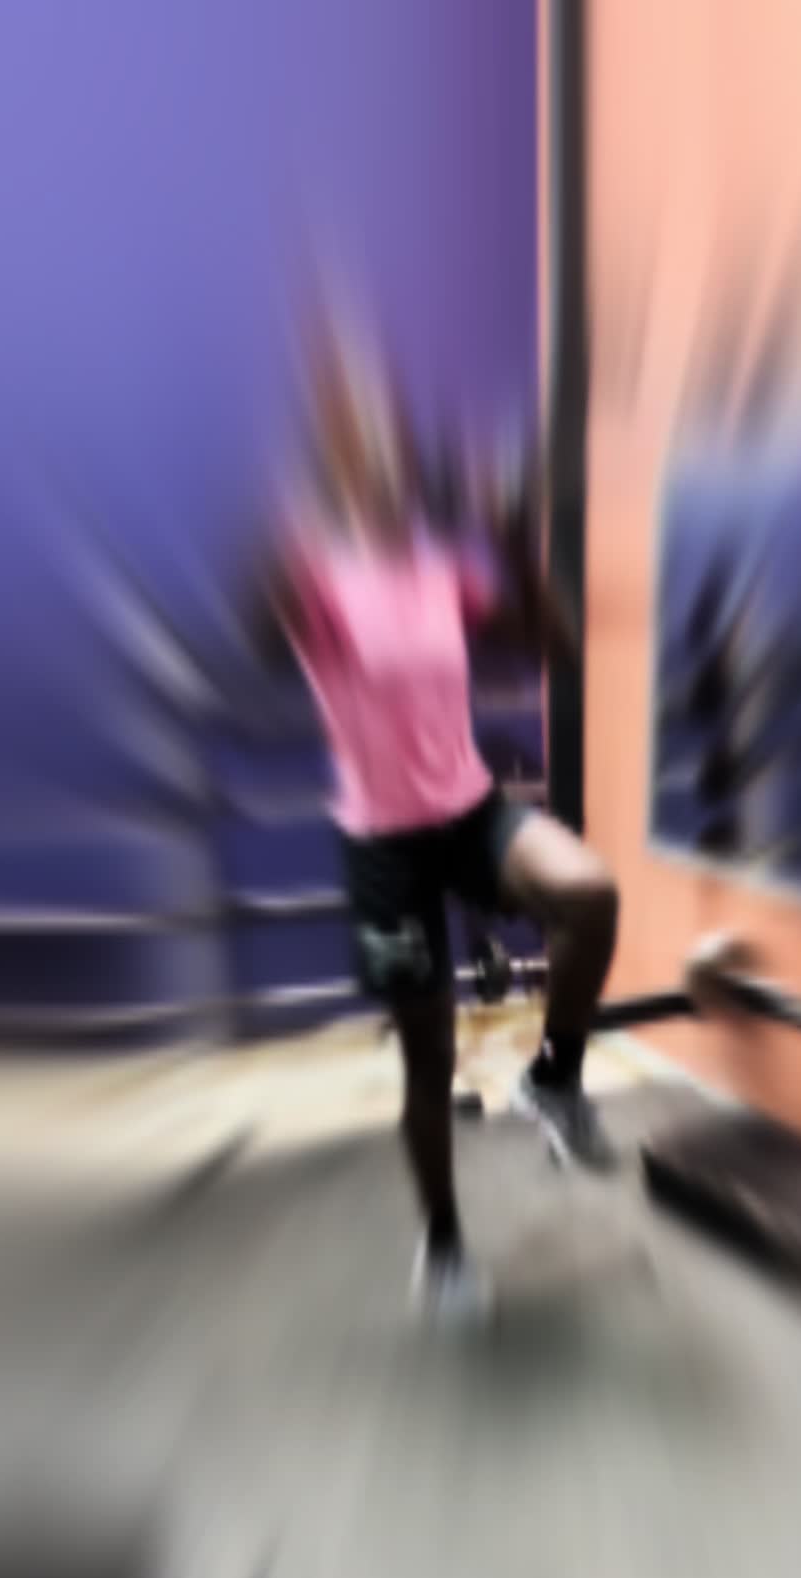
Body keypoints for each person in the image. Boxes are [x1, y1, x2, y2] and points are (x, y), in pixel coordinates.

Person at [248, 336, 619, 1320]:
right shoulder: (316, 573)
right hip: (385, 845)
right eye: (356, 443)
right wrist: (301, 446)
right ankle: (444, 1249)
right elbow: (260, 618)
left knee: (589, 892)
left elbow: (557, 646)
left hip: (468, 808)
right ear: (333, 463)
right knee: (430, 1059)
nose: (380, 456)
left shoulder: (439, 567)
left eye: (388, 440)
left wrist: (514, 537)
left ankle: (554, 1079)